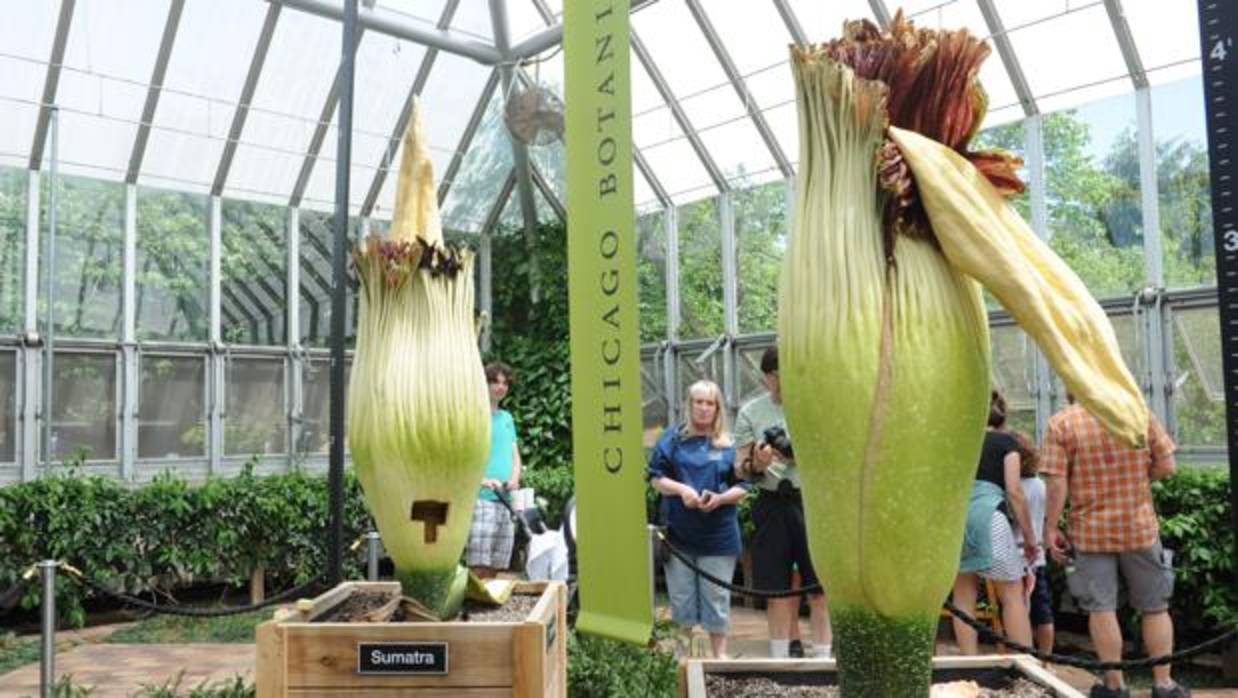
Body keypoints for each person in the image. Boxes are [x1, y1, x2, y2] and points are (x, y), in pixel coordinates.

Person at [1042, 395, 1189, 698]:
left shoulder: (1062, 423)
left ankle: (1114, 686)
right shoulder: (1138, 413)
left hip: (1090, 531)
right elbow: (1167, 464)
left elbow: (1057, 483)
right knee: (1155, 606)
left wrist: (1051, 525)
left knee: (1102, 608)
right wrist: (1138, 481)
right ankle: (1164, 685)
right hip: (1140, 528)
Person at [734, 347, 831, 660]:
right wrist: (758, 464)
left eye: (787, 372)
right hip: (772, 502)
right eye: (775, 374)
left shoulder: (816, 407)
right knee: (776, 591)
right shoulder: (751, 412)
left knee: (820, 589)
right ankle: (779, 659)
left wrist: (797, 454)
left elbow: (833, 457)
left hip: (812, 502)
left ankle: (823, 659)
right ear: (766, 377)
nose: (781, 381)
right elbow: (740, 467)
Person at [648, 379, 747, 659]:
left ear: (718, 409)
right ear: (689, 405)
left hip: (719, 535)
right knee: (681, 598)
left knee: (717, 598)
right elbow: (656, 478)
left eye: (710, 403)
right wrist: (682, 490)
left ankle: (720, 657)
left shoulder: (729, 444)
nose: (703, 408)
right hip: (678, 535)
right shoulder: (672, 438)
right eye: (698, 402)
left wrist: (720, 499)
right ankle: (683, 656)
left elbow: (744, 486)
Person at [952, 390, 1036, 654]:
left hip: (956, 522)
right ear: (1002, 417)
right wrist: (1030, 537)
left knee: (963, 597)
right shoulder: (1006, 443)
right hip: (991, 519)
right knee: (1012, 594)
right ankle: (1026, 663)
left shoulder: (957, 443)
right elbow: (1014, 490)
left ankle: (969, 664)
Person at [466, 362, 522, 579]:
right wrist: (482, 480)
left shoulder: (507, 418)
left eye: (505, 383)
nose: (501, 387)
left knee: (498, 563)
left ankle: (487, 607)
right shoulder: (472, 417)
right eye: (495, 382)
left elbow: (514, 456)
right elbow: (463, 458)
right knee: (479, 563)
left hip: (506, 500)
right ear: (484, 383)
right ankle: (475, 608)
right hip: (482, 500)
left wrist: (514, 479)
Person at [1012, 430, 1055, 654]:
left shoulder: (1012, 488)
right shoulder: (1040, 484)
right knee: (1042, 612)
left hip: (1014, 555)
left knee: (1014, 609)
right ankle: (1046, 660)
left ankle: (1019, 655)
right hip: (1037, 558)